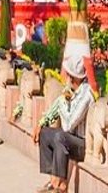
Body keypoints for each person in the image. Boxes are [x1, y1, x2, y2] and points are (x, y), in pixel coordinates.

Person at [38, 52, 95, 190]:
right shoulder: (70, 91)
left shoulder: (86, 95)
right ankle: (53, 180)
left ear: (74, 77)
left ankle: (61, 184)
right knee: (45, 133)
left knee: (60, 137)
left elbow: (69, 125)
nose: (67, 78)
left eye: (69, 75)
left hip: (81, 144)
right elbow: (55, 108)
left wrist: (64, 101)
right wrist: (41, 123)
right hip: (68, 139)